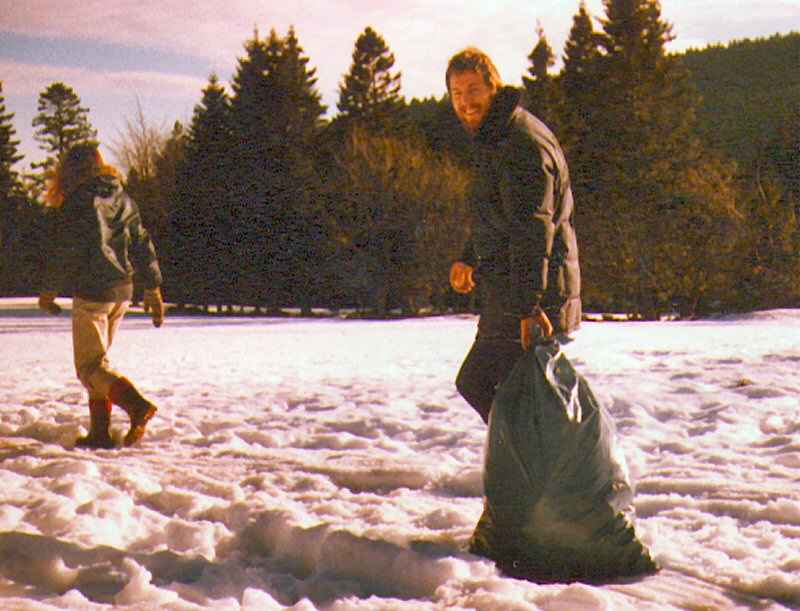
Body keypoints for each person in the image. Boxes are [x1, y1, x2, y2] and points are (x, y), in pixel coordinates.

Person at [447, 47, 581, 425]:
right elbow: (497, 216)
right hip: (509, 294)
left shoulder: (520, 143)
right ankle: (537, 459)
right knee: (503, 395)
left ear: (494, 87)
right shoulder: (497, 139)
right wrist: (468, 257)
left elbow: (532, 230)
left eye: (473, 90)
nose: (465, 102)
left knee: (488, 387)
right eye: (457, 94)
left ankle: (550, 459)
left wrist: (529, 308)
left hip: (530, 299)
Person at [39, 143, 165, 449]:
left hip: (93, 292)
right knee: (99, 366)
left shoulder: (76, 202)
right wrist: (153, 287)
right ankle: (99, 433)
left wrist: (49, 289)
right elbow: (142, 242)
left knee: (90, 368)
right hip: (122, 291)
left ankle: (136, 406)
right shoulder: (123, 198)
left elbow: (65, 251)